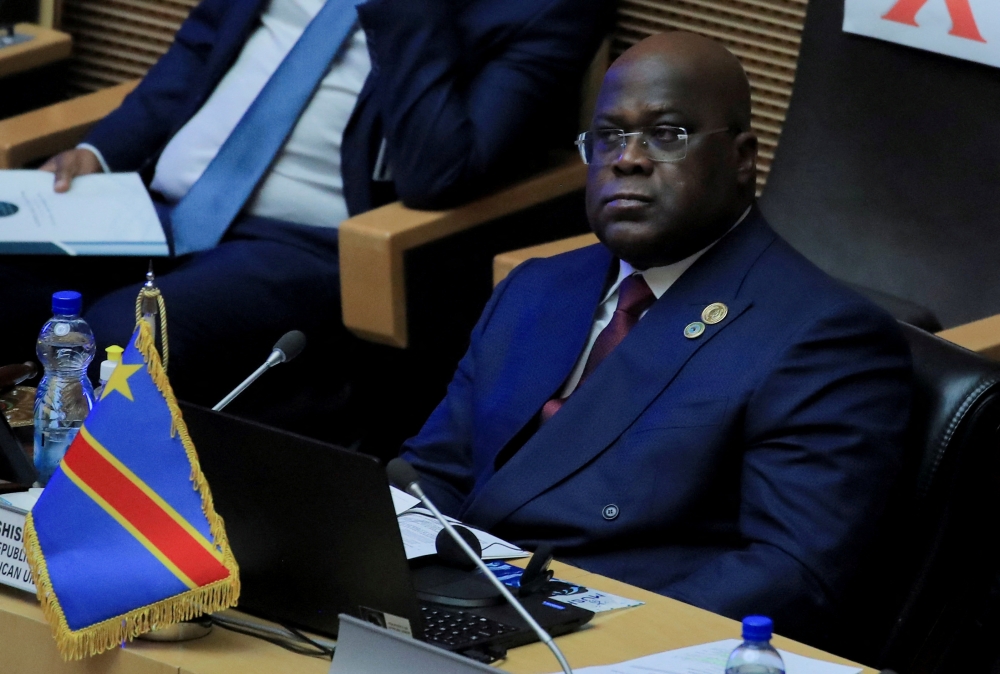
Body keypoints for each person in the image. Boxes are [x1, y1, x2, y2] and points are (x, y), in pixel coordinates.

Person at [400, 32, 913, 639]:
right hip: (460, 613)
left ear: (743, 158)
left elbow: (792, 572)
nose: (629, 159)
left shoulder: (824, 338)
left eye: (666, 135)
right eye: (608, 137)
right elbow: (433, 472)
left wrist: (589, 634)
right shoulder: (535, 289)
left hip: (611, 643)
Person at [0, 0, 612, 430]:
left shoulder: (546, 7)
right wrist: (100, 151)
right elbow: (199, 52)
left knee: (124, 332)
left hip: (314, 244)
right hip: (154, 207)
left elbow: (441, 175)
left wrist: (405, 11)